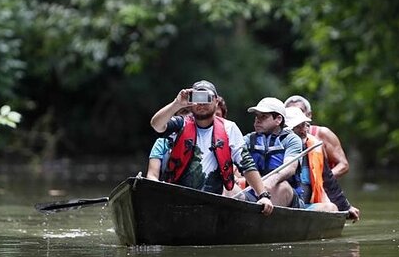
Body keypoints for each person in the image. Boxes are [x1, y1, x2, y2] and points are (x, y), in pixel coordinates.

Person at [149, 80, 273, 215]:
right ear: (190, 102)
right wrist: (177, 104)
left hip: (213, 201)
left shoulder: (229, 128)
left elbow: (246, 163)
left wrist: (263, 195)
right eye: (197, 98)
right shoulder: (180, 124)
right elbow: (156, 125)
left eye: (206, 98)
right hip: (178, 199)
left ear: (216, 102)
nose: (201, 103)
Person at [286, 106, 361, 221]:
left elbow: (328, 180)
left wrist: (346, 207)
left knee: (331, 207)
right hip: (282, 204)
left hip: (305, 206)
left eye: (304, 125)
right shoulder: (277, 146)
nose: (303, 130)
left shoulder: (315, 147)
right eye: (297, 127)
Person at [244, 97, 304, 208]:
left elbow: (290, 168)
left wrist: (271, 181)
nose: (257, 120)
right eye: (257, 116)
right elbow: (236, 162)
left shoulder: (292, 140)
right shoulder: (248, 139)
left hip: (288, 197)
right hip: (255, 194)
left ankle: (267, 222)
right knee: (230, 189)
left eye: (263, 116)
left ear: (278, 119)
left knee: (282, 186)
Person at [284, 95, 350, 179]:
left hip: (321, 186)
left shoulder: (322, 133)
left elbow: (343, 165)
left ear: (309, 115)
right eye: (290, 112)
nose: (296, 114)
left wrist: (321, 180)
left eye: (300, 111)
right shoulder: (279, 137)